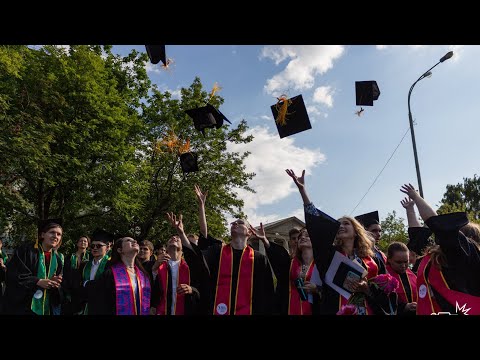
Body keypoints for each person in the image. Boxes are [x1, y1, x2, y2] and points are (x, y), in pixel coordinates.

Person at [286, 169, 394, 315]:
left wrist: (366, 288)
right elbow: (316, 226)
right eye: (339, 224)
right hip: (336, 309)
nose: (341, 226)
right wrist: (303, 191)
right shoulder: (329, 255)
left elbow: (384, 291)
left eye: (346, 224)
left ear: (356, 231)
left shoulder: (372, 259)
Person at [174, 185, 275, 315]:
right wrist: (182, 234)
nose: (234, 224)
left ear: (249, 232)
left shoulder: (259, 259)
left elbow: (266, 293)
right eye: (233, 223)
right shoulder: (218, 252)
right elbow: (196, 257)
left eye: (240, 222)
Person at [400, 183, 480, 315]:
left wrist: (416, 197)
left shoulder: (464, 254)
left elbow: (439, 225)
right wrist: (410, 209)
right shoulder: (437, 257)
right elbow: (419, 241)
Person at [4, 219, 64, 315]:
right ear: (42, 235)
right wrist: (38, 281)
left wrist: (53, 282)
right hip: (24, 306)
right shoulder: (26, 251)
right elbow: (13, 274)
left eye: (59, 234)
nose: (55, 236)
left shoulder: (57, 260)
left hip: (45, 306)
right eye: (52, 232)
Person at [262, 227, 322, 314]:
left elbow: (331, 290)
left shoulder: (322, 265)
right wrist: (265, 240)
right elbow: (277, 257)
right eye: (300, 236)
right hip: (289, 308)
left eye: (307, 235)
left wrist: (317, 289)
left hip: (314, 309)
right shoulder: (290, 262)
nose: (302, 237)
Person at [85, 237, 151, 315]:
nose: (135, 241)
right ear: (120, 250)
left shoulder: (143, 275)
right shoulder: (111, 274)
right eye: (129, 240)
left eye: (134, 240)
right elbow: (101, 301)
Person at [154, 228, 201, 315]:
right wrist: (154, 268)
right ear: (166, 247)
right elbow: (151, 290)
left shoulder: (190, 267)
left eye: (178, 238)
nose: (174, 238)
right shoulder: (158, 266)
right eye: (171, 238)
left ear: (183, 248)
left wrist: (191, 289)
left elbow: (202, 288)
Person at [386, 242, 417, 315]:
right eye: (398, 262)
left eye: (406, 262)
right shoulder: (382, 277)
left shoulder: (414, 275)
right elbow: (380, 302)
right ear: (389, 259)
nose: (403, 266)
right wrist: (404, 307)